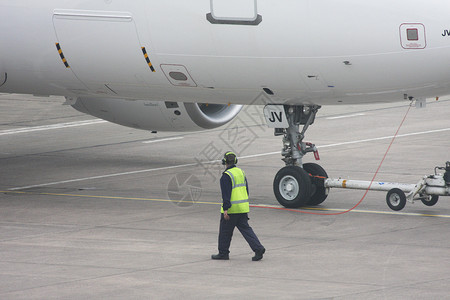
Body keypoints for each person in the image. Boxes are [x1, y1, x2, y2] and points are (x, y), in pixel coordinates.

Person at [211, 151, 265, 261]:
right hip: (243, 208)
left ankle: (223, 253)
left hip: (232, 210)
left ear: (224, 162)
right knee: (246, 230)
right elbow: (246, 190)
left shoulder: (226, 176)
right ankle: (258, 248)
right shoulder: (241, 172)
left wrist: (226, 209)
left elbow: (226, 195)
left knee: (225, 232)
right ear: (235, 161)